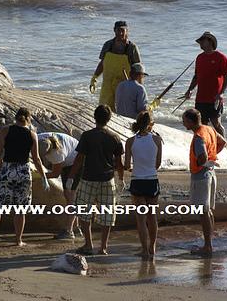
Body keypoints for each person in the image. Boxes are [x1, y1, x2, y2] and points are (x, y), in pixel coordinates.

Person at [66, 105, 125, 255]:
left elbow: (79, 160)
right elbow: (119, 162)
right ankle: (103, 247)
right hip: (108, 179)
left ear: (94, 117)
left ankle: (88, 244)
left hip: (88, 178)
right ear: (109, 119)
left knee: (83, 211)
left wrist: (71, 177)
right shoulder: (114, 137)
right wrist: (121, 179)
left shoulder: (87, 136)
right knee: (107, 214)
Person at [0, 108, 49, 246]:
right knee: (20, 209)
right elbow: (37, 159)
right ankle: (18, 240)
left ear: (15, 118)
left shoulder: (5, 131)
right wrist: (44, 177)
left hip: (7, 170)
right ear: (28, 119)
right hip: (23, 172)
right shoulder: (32, 134)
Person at [182, 108, 227, 256]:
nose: (183, 123)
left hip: (201, 175)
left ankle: (207, 246)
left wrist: (206, 160)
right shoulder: (208, 129)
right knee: (208, 211)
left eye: (184, 120)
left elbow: (201, 157)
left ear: (190, 121)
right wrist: (213, 157)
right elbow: (223, 142)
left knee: (202, 211)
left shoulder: (198, 137)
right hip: (211, 173)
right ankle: (209, 243)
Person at [124, 110, 163, 259]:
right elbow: (157, 164)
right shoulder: (157, 140)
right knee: (152, 217)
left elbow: (127, 164)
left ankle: (144, 249)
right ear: (150, 124)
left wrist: (135, 168)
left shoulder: (130, 141)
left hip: (137, 180)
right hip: (152, 180)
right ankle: (152, 246)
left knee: (140, 219)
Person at [184, 31, 227, 137]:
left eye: (202, 41)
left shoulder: (221, 57)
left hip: (215, 98)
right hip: (201, 97)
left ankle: (224, 144)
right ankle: (204, 144)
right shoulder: (199, 58)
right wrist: (190, 90)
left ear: (210, 41)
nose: (200, 44)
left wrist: (221, 93)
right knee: (200, 125)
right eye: (199, 42)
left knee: (216, 123)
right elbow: (196, 76)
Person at [37, 132, 83, 239]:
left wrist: (39, 176)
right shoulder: (39, 138)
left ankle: (68, 231)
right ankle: (76, 228)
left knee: (70, 196)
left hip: (76, 162)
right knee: (69, 196)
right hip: (70, 155)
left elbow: (55, 173)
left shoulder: (57, 153)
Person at [90, 21, 141, 111]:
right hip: (108, 85)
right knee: (104, 110)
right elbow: (102, 63)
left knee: (123, 112)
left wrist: (138, 88)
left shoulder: (132, 48)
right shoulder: (108, 45)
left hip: (124, 86)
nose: (120, 33)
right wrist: (94, 77)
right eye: (118, 30)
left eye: (123, 31)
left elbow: (138, 70)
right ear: (114, 31)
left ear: (127, 31)